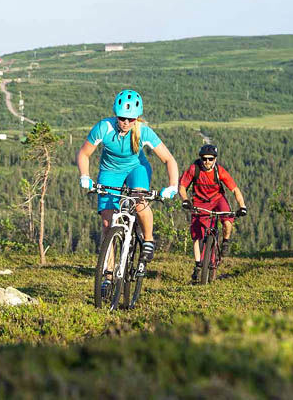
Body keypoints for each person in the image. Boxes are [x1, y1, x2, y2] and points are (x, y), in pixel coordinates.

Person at [77, 89, 179, 295]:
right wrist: (85, 176)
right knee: (108, 224)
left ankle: (148, 240)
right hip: (109, 172)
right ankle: (108, 275)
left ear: (137, 118)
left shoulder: (143, 131)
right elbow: (84, 154)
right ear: (116, 115)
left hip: (136, 169)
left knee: (139, 202)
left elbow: (169, 159)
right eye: (122, 118)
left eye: (130, 119)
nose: (125, 122)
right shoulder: (104, 127)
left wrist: (172, 186)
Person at [178, 144, 247, 283]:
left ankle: (225, 241)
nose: (207, 162)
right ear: (200, 158)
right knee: (196, 234)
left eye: (210, 159)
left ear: (215, 159)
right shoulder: (194, 169)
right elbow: (182, 186)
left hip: (217, 199)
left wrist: (242, 206)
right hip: (200, 201)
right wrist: (185, 200)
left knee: (227, 222)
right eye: (204, 159)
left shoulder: (219, 171)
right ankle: (198, 265)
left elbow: (235, 190)